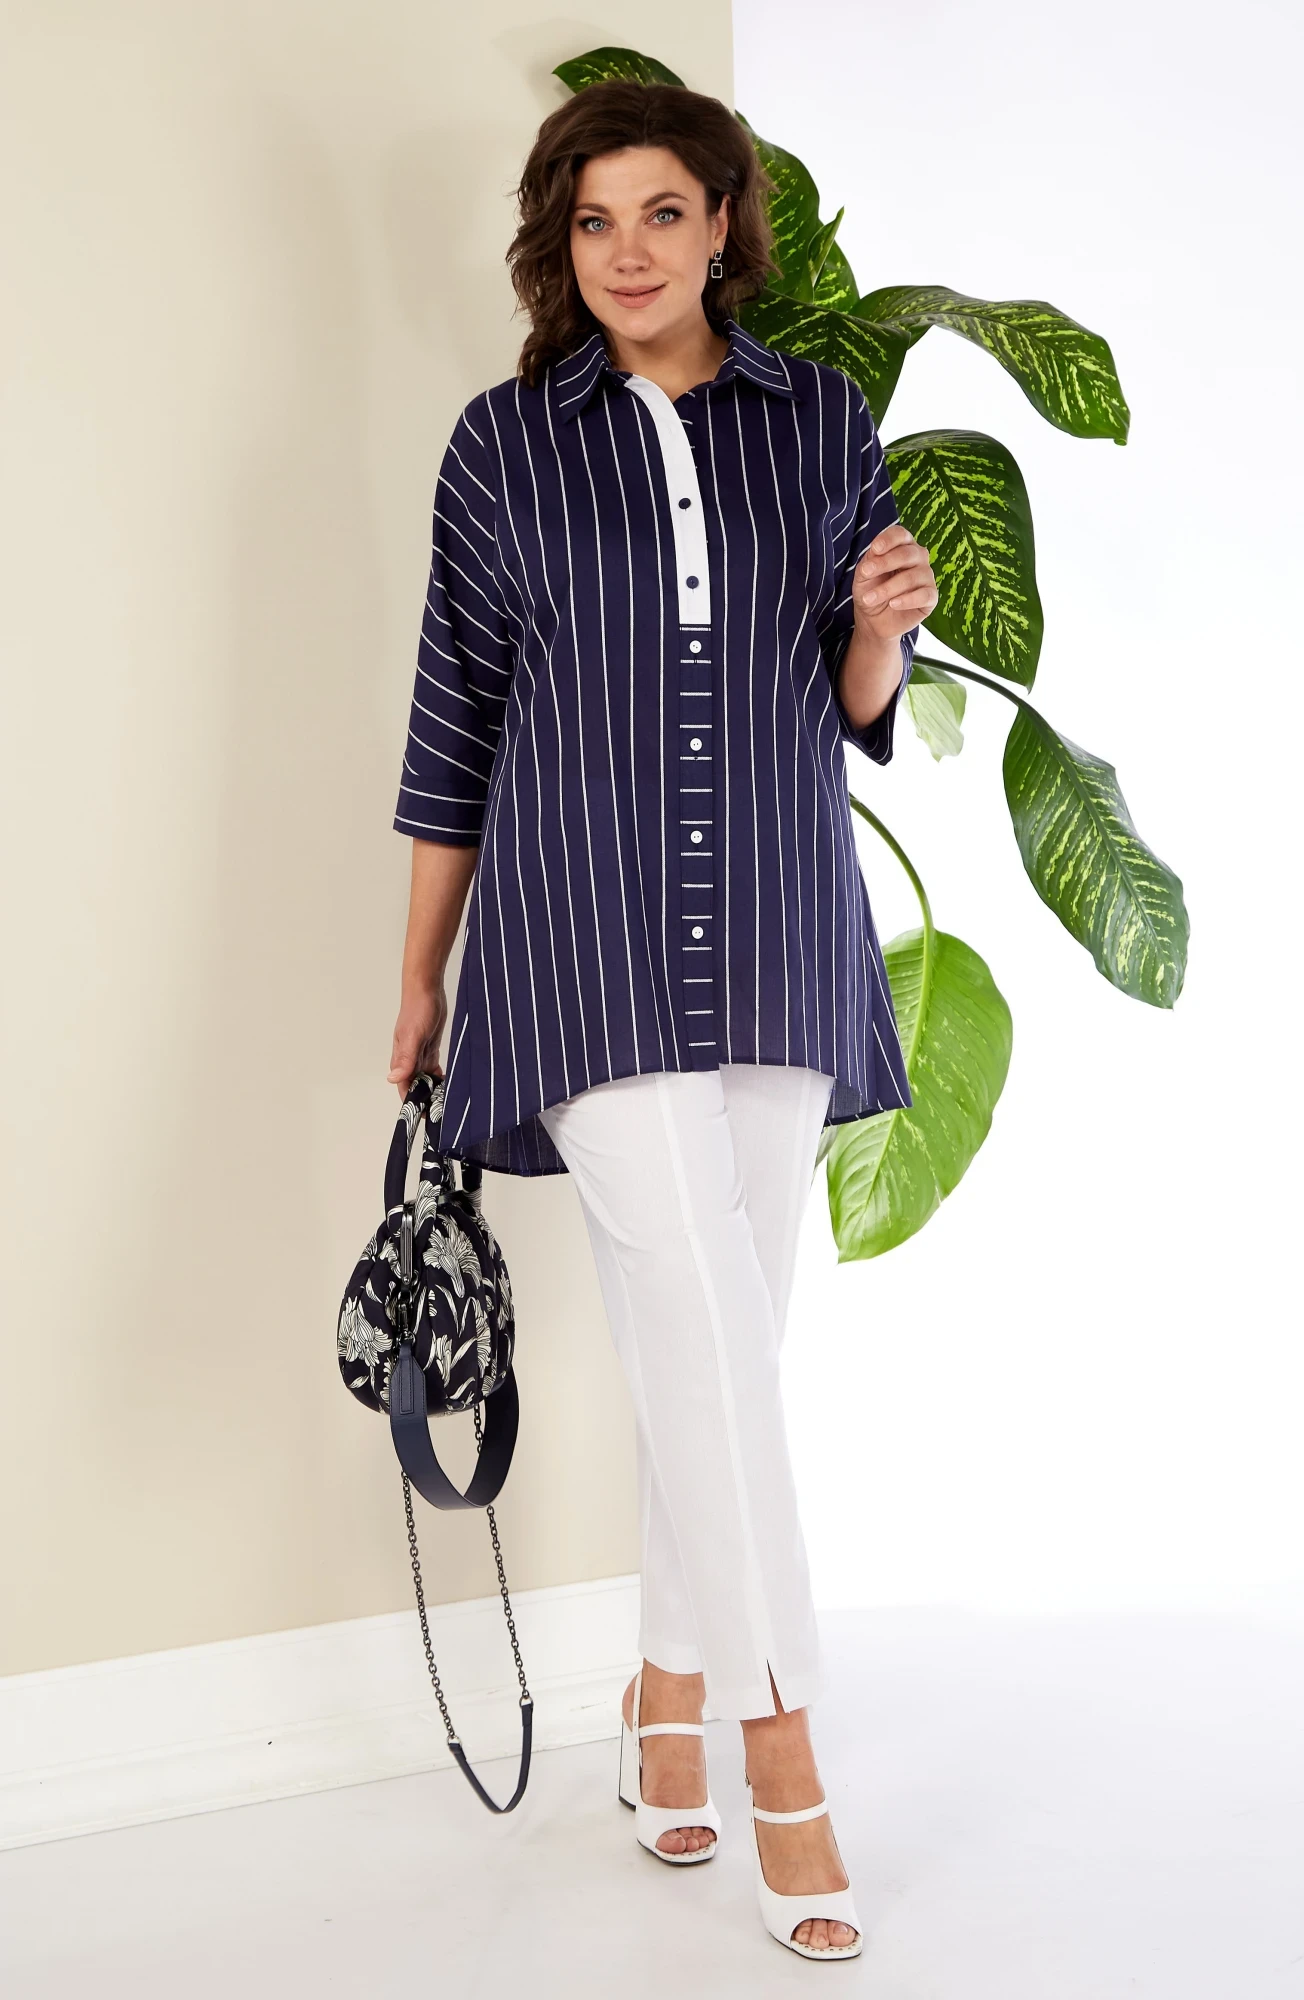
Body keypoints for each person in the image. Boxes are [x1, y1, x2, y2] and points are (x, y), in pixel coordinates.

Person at [386, 78, 937, 1962]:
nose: (629, 251)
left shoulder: (823, 422)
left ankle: (664, 1697)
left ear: (722, 226)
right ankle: (784, 1750)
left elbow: (852, 702)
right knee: (704, 1323)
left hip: (775, 925)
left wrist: (882, 625)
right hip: (578, 943)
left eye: (664, 213)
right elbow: (454, 722)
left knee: (723, 1347)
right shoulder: (503, 446)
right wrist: (421, 976)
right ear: (565, 241)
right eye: (594, 220)